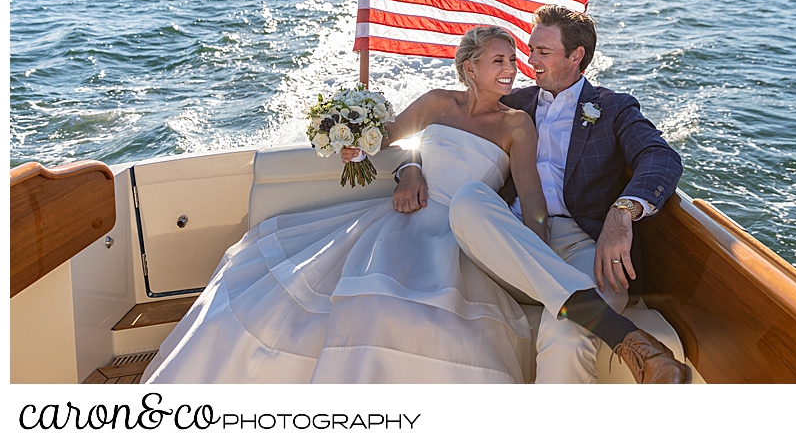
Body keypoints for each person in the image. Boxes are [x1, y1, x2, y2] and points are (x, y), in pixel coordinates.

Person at [143, 26, 549, 383]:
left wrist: (538, 251)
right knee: (324, 302)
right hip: (402, 220)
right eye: (499, 60)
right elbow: (391, 138)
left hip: (462, 237)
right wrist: (354, 140)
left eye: (513, 60)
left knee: (425, 320)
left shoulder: (516, 124)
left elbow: (530, 194)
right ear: (470, 68)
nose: (511, 68)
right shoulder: (437, 103)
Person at [394, 5, 690, 384]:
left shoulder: (614, 108)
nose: (528, 61)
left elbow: (660, 157)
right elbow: (437, 136)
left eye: (542, 52)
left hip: (587, 246)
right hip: (507, 238)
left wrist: (622, 212)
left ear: (575, 56)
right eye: (530, 50)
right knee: (469, 199)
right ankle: (623, 335)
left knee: (567, 334)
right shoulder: (512, 103)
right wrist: (411, 167)